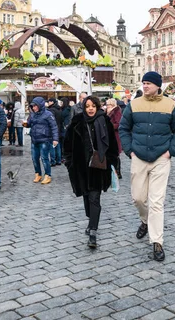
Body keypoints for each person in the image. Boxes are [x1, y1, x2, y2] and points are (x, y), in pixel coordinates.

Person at [119, 71, 175, 261]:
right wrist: (129, 150)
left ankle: (157, 242)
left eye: (148, 83)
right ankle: (144, 220)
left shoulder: (171, 105)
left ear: (158, 86)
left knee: (157, 201)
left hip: (160, 158)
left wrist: (170, 151)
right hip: (139, 156)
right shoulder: (134, 104)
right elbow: (123, 128)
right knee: (138, 198)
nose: (145, 86)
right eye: (144, 83)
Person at [65, 96, 119, 249]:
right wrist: (69, 162)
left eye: (93, 106)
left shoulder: (104, 121)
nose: (90, 109)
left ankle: (93, 231)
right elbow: (67, 144)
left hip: (98, 166)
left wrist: (111, 161)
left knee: (95, 197)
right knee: (87, 197)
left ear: (97, 107)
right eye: (87, 106)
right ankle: (91, 220)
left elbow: (112, 145)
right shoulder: (77, 121)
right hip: (81, 166)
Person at [26, 97, 58, 185]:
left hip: (45, 139)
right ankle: (38, 174)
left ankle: (47, 175)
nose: (33, 108)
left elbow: (54, 127)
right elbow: (29, 124)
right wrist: (26, 124)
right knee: (34, 158)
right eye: (32, 106)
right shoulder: (32, 114)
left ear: (40, 105)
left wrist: (55, 139)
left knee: (44, 158)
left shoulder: (48, 114)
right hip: (34, 139)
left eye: (35, 106)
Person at [105, 98, 123, 179]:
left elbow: (118, 124)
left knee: (115, 155)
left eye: (108, 104)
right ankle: (110, 171)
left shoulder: (117, 112)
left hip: (114, 136)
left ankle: (117, 172)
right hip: (108, 136)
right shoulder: (107, 112)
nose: (107, 106)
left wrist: (109, 126)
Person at [47, 97, 63, 166]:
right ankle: (59, 160)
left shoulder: (51, 110)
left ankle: (53, 161)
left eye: (49, 101)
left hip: (53, 130)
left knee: (52, 145)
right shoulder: (59, 109)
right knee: (58, 145)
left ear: (52, 102)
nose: (48, 103)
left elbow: (51, 121)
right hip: (59, 129)